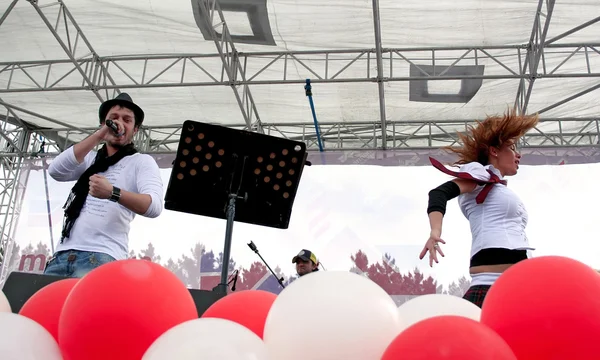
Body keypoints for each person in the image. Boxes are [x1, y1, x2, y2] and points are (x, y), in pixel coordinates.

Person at [419, 109, 539, 308]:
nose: (518, 155)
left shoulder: (496, 186)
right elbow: (438, 193)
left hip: (519, 281)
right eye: (511, 148)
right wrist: (435, 231)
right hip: (490, 281)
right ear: (494, 151)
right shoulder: (480, 176)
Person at [43, 93, 164, 278]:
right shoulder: (89, 159)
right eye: (113, 118)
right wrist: (99, 135)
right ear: (103, 124)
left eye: (127, 120)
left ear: (135, 129)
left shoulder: (141, 162)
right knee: (46, 307)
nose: (119, 123)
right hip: (62, 254)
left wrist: (112, 193)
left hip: (101, 256)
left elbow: (154, 206)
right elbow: (55, 171)